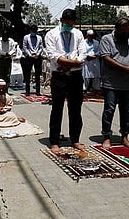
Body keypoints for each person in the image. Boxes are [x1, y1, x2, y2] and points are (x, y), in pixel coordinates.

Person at [44, 9, 87, 155]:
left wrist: (71, 64)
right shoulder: (52, 34)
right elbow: (53, 55)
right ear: (62, 20)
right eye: (67, 22)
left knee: (76, 108)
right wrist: (71, 62)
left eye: (72, 22)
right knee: (57, 108)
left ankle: (75, 138)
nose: (69, 25)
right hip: (59, 75)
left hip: (75, 75)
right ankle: (54, 140)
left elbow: (83, 54)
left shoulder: (78, 34)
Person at [99, 18, 129, 149]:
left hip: (126, 82)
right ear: (117, 30)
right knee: (109, 109)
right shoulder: (106, 39)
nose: (126, 35)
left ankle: (125, 136)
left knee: (126, 111)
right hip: (111, 82)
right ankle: (106, 136)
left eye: (128, 32)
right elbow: (106, 58)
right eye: (124, 32)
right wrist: (123, 68)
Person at [21, 24, 44, 96]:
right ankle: (27, 90)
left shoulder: (39, 38)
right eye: (32, 31)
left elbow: (41, 47)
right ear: (30, 31)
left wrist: (37, 54)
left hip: (37, 56)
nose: (34, 32)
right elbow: (25, 47)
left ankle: (38, 91)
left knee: (37, 74)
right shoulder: (26, 37)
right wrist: (30, 55)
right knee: (28, 74)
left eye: (35, 31)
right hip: (29, 57)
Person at [0, 29, 18, 94]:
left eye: (6, 37)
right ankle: (0, 90)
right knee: (0, 75)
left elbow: (13, 49)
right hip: (0, 59)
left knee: (7, 75)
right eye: (4, 37)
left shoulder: (11, 41)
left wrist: (8, 54)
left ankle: (6, 90)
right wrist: (4, 54)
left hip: (8, 59)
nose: (5, 38)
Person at [82, 29, 101, 94]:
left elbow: (99, 51)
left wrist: (94, 56)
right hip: (86, 61)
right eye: (89, 35)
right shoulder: (83, 42)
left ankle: (96, 90)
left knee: (96, 76)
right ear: (87, 35)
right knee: (85, 76)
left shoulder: (96, 42)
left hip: (95, 60)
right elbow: (82, 52)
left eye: (92, 35)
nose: (90, 37)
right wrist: (87, 56)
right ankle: (84, 89)